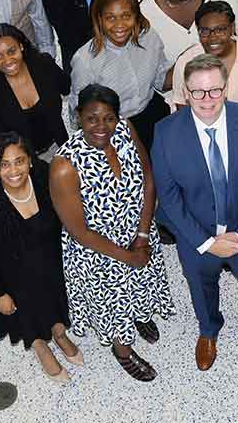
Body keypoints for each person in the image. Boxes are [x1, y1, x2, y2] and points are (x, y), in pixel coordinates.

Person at [152, 54, 238, 371]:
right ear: (186, 92)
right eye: (198, 92)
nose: (207, 99)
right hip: (195, 235)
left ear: (225, 89)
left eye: (214, 91)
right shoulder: (165, 133)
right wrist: (207, 243)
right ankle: (209, 330)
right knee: (200, 285)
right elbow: (168, 198)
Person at [50, 84, 175, 381]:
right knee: (113, 302)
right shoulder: (64, 166)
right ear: (79, 116)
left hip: (138, 233)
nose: (101, 126)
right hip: (98, 251)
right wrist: (127, 256)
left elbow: (147, 177)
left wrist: (143, 236)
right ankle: (123, 351)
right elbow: (78, 230)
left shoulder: (126, 130)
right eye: (92, 118)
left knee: (142, 282)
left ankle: (140, 314)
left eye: (109, 118)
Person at [0, 133, 79, 383]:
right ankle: (39, 345)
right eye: (4, 164)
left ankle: (59, 333)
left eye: (19, 161)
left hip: (50, 261)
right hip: (13, 276)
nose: (13, 171)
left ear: (30, 160)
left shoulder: (44, 176)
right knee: (28, 311)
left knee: (55, 299)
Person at [69, 0, 171, 152]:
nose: (119, 25)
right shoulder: (85, 60)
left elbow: (160, 78)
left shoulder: (149, 37)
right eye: (110, 18)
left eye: (126, 16)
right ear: (99, 20)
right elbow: (78, 113)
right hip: (115, 130)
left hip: (153, 114)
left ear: (136, 17)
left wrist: (186, 65)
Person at [0, 24, 71, 161]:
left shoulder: (44, 64)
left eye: (11, 51)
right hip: (23, 162)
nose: (7, 60)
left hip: (61, 148)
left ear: (21, 46)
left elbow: (67, 87)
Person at [171, 1, 238, 115]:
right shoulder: (186, 61)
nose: (213, 37)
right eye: (205, 31)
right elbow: (182, 107)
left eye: (220, 30)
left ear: (232, 27)